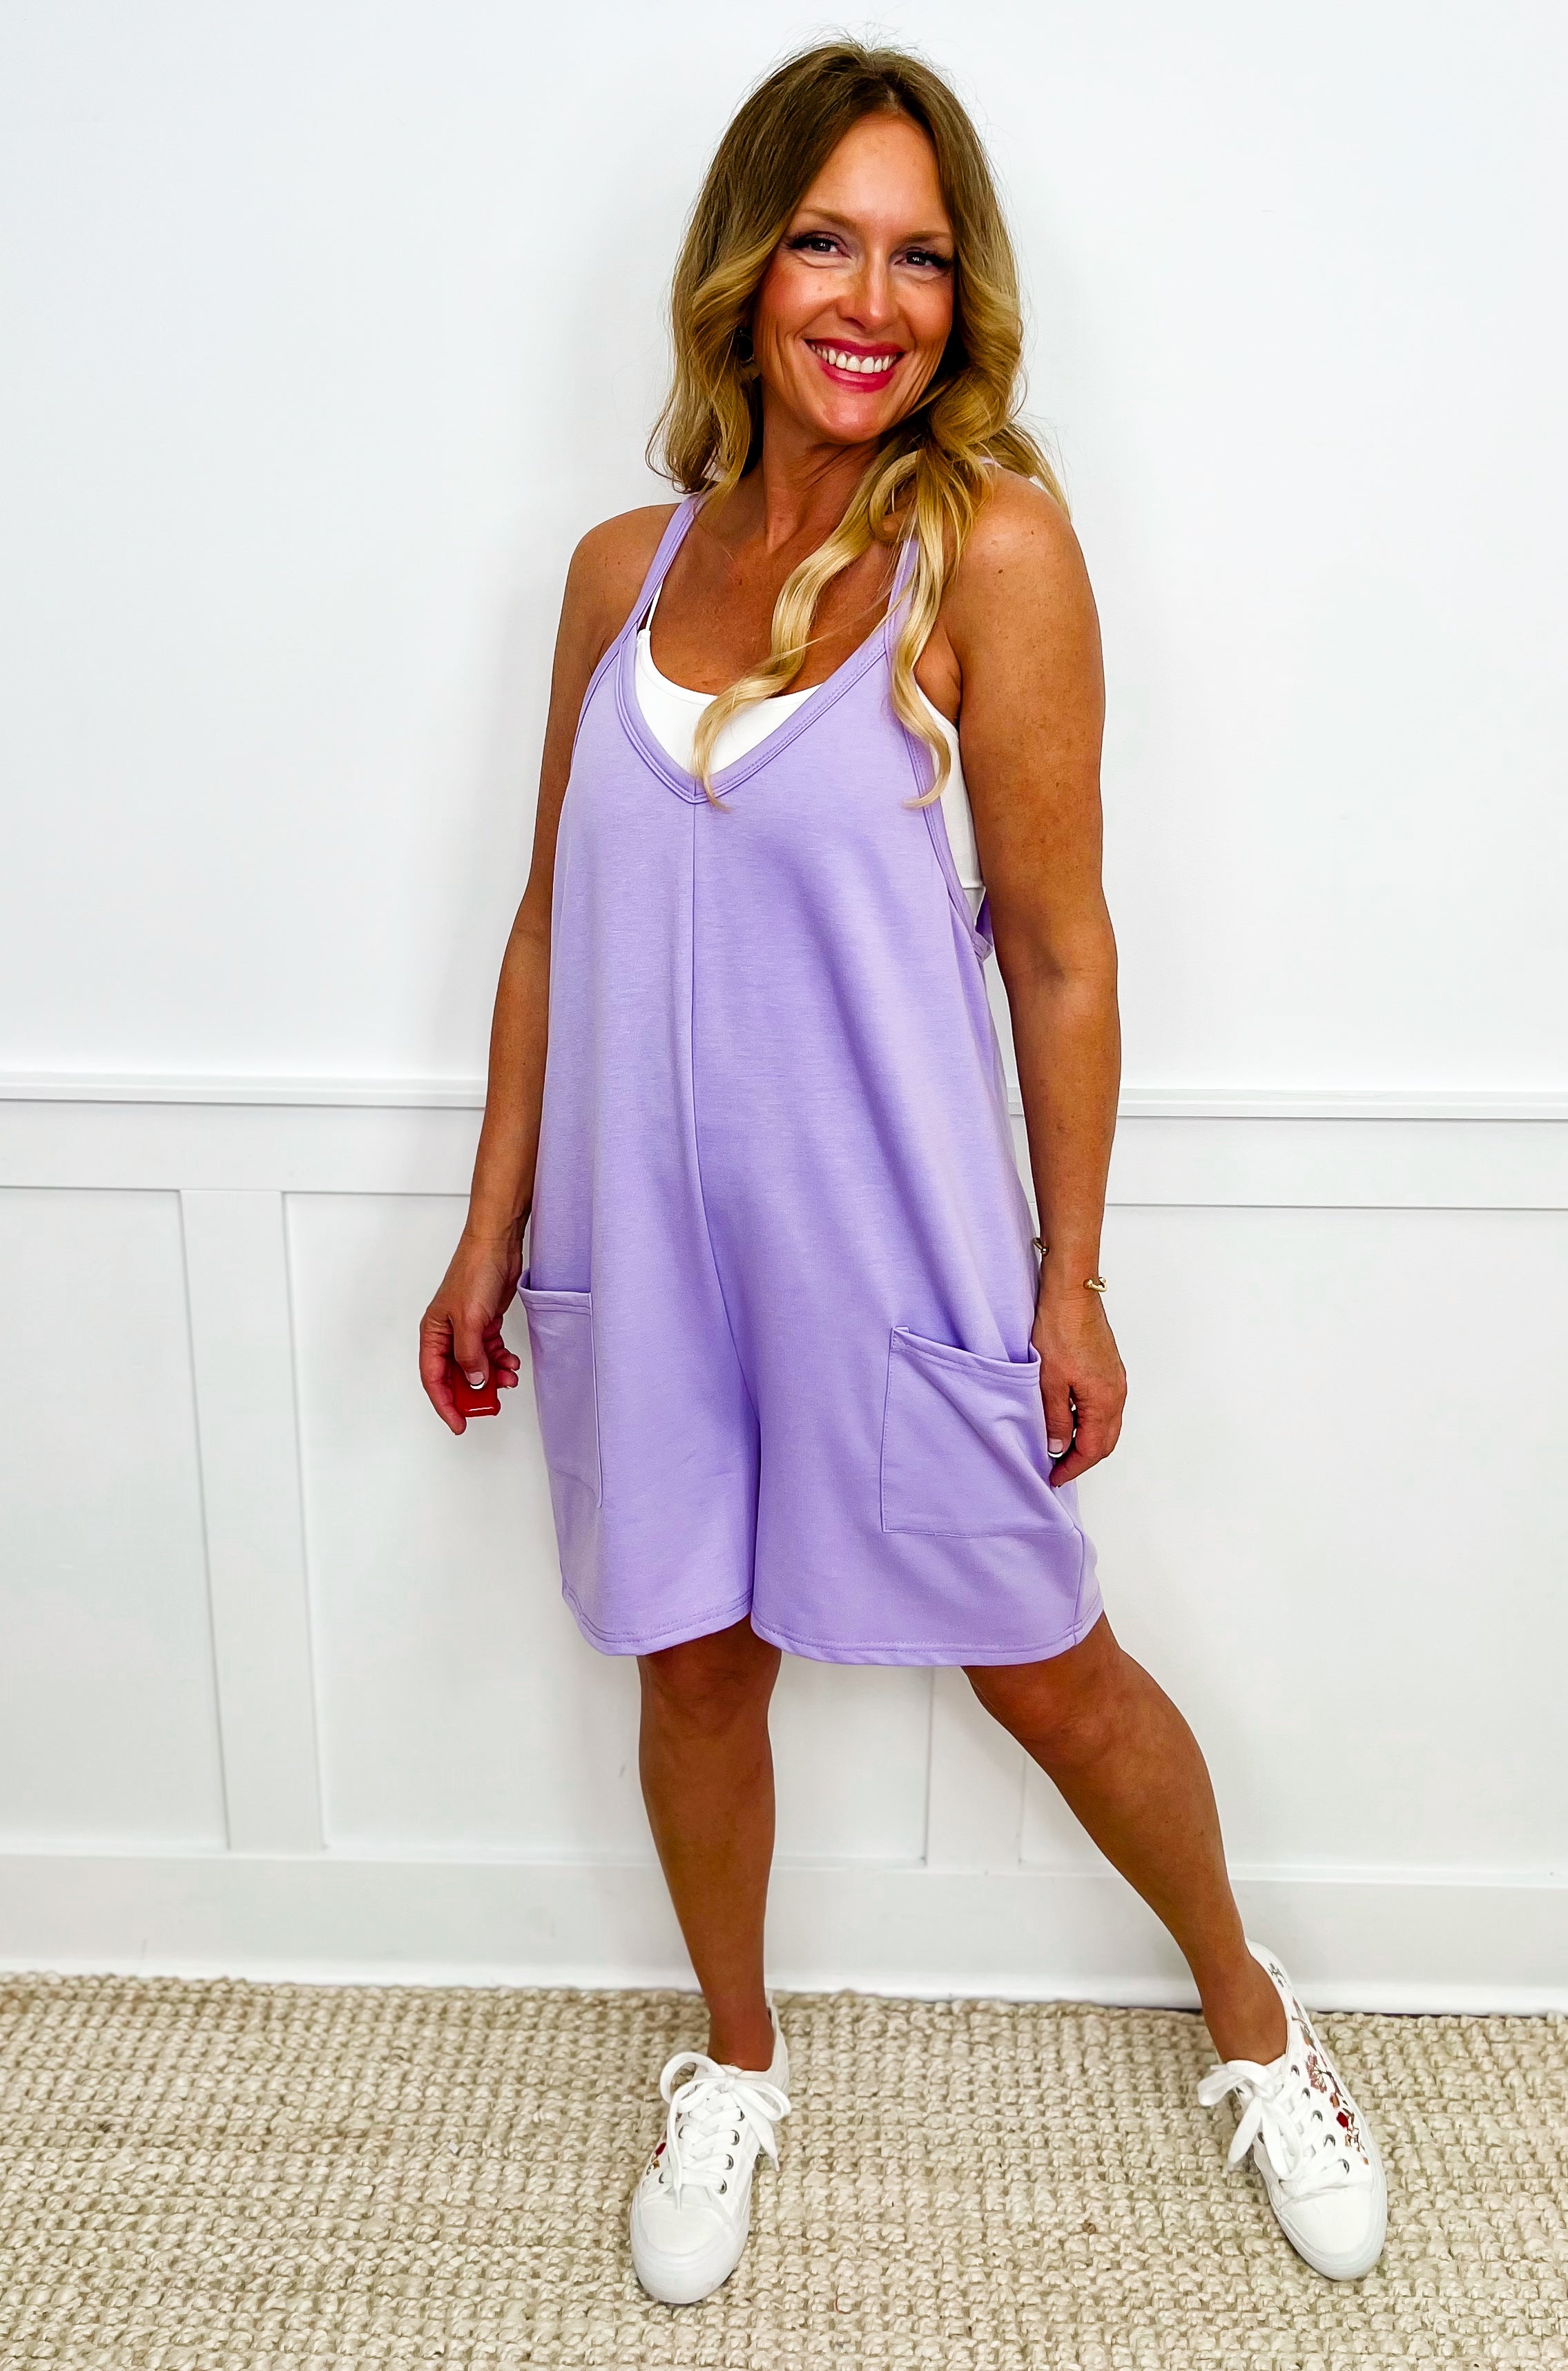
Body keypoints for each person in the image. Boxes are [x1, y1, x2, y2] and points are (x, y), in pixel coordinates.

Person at [420, 39, 1388, 2305]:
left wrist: (1073, 1275)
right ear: (744, 272)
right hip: (641, 1253)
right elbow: (552, 922)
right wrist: (488, 1228)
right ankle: (735, 2056)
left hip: (895, 1248)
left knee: (1048, 1663)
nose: (874, 301)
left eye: (922, 257)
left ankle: (1260, 2019)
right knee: (693, 1667)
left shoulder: (992, 550)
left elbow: (1057, 949)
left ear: (966, 295)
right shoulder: (616, 572)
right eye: (828, 244)